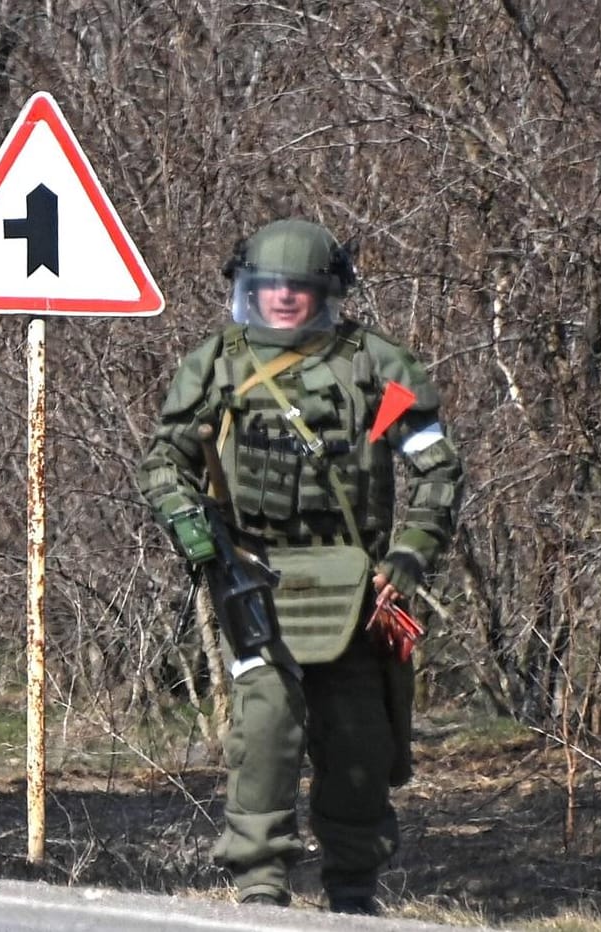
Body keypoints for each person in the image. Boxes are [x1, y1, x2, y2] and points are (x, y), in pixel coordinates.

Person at [138, 218, 463, 914]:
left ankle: (352, 891)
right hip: (252, 575)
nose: (282, 300)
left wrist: (407, 558)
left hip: (358, 584)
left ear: (327, 292)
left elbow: (437, 470)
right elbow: (164, 461)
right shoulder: (216, 364)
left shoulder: (377, 364)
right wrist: (190, 524)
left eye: (296, 289)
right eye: (267, 288)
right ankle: (260, 885)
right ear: (246, 290)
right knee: (265, 731)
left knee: (357, 744)